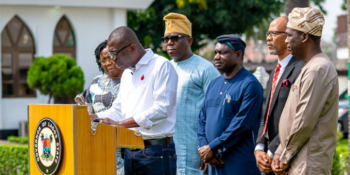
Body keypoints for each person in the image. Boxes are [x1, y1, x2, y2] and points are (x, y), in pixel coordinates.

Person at [89, 26, 178, 175]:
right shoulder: (127, 74)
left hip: (156, 152)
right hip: (130, 151)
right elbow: (118, 110)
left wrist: (120, 124)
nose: (112, 59)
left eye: (114, 53)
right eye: (110, 54)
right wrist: (94, 118)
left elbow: (162, 109)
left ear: (132, 48)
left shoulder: (161, 66)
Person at [272, 7, 339, 175]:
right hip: (299, 162)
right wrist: (280, 151)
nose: (286, 41)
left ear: (304, 36)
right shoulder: (311, 67)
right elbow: (295, 118)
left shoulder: (318, 69)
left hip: (307, 164)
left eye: (289, 35)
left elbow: (303, 122)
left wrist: (284, 157)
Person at [163, 13, 220, 175]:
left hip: (196, 150)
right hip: (167, 150)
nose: (169, 43)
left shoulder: (205, 69)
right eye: (166, 39)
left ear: (189, 41)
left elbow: (216, 112)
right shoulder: (165, 68)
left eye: (175, 38)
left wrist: (211, 148)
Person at [197, 34, 263, 175]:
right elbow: (202, 118)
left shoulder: (250, 85)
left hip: (238, 163)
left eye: (222, 52)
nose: (216, 57)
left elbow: (240, 126)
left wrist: (212, 148)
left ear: (238, 54)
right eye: (215, 53)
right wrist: (205, 149)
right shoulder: (214, 83)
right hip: (213, 162)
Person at [254, 17, 304, 175]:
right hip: (267, 156)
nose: (268, 38)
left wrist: (272, 151)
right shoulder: (275, 71)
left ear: (288, 35)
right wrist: (259, 147)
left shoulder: (301, 68)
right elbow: (266, 112)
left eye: (274, 33)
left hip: (286, 158)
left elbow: (296, 118)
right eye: (268, 33)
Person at [74, 40, 125, 174]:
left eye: (110, 57)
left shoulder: (131, 79)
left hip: (125, 144)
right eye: (103, 60)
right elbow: (84, 109)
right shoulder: (96, 81)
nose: (108, 63)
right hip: (98, 143)